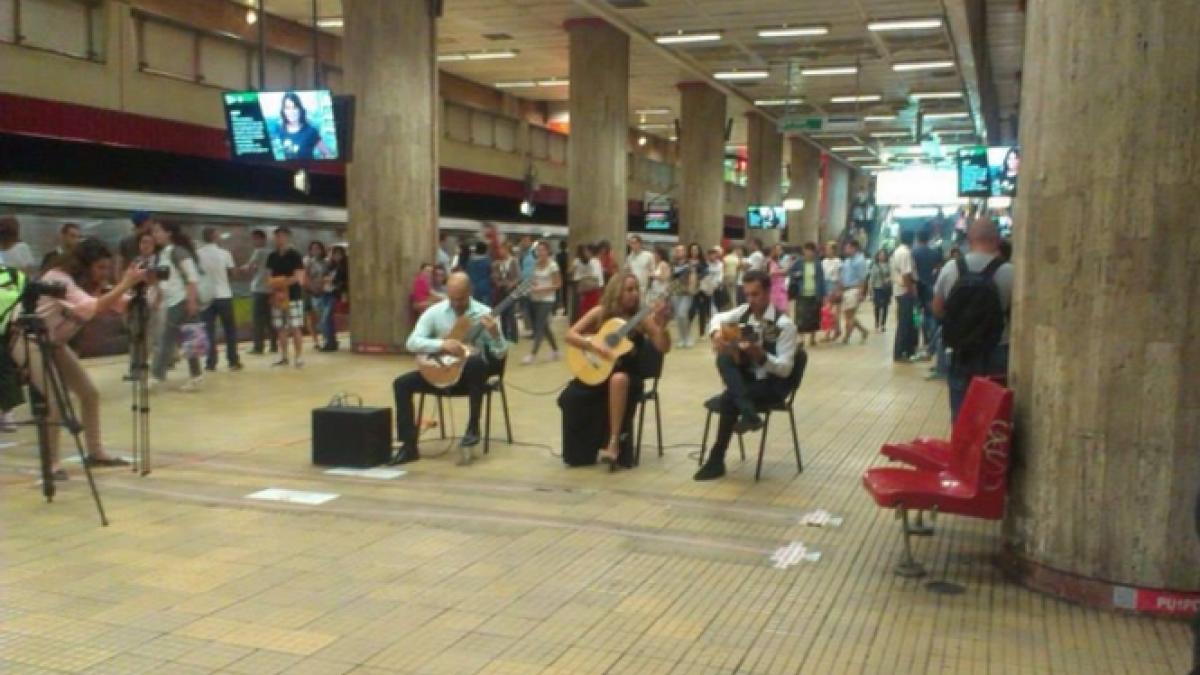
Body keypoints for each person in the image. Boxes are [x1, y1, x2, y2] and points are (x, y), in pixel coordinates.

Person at [10, 239, 147, 479]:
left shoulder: (89, 284)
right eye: (101, 268)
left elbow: (122, 305)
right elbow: (91, 308)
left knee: (89, 393)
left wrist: (144, 290)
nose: (105, 274)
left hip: (55, 343)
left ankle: (95, 453)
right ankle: (51, 465)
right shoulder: (59, 279)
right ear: (85, 265)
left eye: (108, 268)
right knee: (53, 402)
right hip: (29, 340)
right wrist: (125, 283)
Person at [390, 272, 507, 466]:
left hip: (470, 381)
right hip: (442, 373)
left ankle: (472, 428)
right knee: (401, 384)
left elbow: (500, 354)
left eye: (460, 299)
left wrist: (495, 335)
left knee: (476, 362)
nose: (455, 303)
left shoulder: (485, 313)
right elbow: (412, 343)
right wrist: (441, 345)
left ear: (470, 292)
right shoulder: (435, 312)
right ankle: (409, 446)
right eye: (451, 298)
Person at [559, 271, 670, 468]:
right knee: (571, 397)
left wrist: (662, 325)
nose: (634, 294)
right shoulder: (600, 312)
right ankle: (580, 452)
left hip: (627, 374)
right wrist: (592, 345)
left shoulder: (641, 318)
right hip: (598, 372)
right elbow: (570, 335)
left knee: (618, 380)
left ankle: (614, 443)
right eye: (629, 289)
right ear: (616, 291)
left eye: (636, 289)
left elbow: (663, 347)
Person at [694, 270, 798, 481]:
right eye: (747, 294)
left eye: (756, 294)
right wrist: (716, 335)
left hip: (771, 385)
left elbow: (786, 369)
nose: (751, 300)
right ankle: (748, 412)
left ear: (768, 292)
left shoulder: (783, 325)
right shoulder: (744, 314)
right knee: (723, 358)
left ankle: (717, 459)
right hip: (748, 380)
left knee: (728, 399)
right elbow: (717, 318)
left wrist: (761, 356)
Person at [933, 217, 1014, 421]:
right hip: (997, 348)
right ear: (997, 240)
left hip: (962, 352)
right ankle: (989, 450)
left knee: (961, 413)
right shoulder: (1010, 272)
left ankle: (962, 450)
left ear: (969, 239)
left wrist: (961, 324)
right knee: (993, 412)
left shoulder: (952, 268)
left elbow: (937, 308)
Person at [150, 222, 204, 391]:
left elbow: (192, 277)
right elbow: (165, 280)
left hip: (182, 300)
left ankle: (157, 376)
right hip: (174, 300)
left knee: (168, 339)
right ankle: (196, 376)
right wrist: (159, 297)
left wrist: (192, 300)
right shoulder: (163, 254)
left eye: (158, 231)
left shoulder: (178, 252)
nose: (155, 235)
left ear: (169, 233)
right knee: (190, 339)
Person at [197, 227, 242, 372]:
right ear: (215, 236)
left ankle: (211, 362)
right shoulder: (224, 253)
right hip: (224, 295)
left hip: (206, 297)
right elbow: (233, 273)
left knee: (208, 331)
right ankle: (233, 361)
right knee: (230, 329)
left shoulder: (197, 254)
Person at [266, 227, 306, 368]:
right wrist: (274, 287)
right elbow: (269, 275)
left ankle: (299, 356)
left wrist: (283, 284)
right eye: (276, 236)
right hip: (277, 296)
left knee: (295, 327)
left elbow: (298, 276)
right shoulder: (272, 256)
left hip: (293, 295)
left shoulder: (295, 255)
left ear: (287, 238)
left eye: (282, 236)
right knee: (280, 327)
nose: (279, 239)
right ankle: (283, 356)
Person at [522, 241, 561, 364]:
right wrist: (530, 286)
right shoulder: (535, 264)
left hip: (547, 299)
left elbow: (558, 284)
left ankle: (532, 354)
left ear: (548, 251)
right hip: (535, 298)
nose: (540, 253)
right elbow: (534, 280)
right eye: (538, 250)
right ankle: (556, 350)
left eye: (543, 250)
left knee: (539, 326)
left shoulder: (553, 266)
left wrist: (541, 289)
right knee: (544, 327)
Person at [244, 229, 277, 355]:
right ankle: (274, 346)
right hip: (271, 289)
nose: (253, 241)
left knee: (257, 320)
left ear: (262, 239)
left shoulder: (258, 251)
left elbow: (249, 267)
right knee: (270, 319)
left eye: (255, 239)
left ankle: (258, 347)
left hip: (259, 289)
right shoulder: (272, 252)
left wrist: (242, 269)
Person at [912, 230, 944, 359]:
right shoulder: (934, 252)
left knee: (916, 314)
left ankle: (915, 340)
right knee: (930, 315)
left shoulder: (913, 252)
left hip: (916, 286)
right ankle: (930, 340)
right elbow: (939, 267)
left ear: (918, 238)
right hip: (930, 286)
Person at [275, 92, 332, 160]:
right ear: (284, 111)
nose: (291, 111)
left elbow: (327, 153)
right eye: (287, 108)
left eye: (295, 107)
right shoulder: (280, 129)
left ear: (300, 109)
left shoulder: (311, 131)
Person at [788, 242, 825, 347]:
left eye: (810, 251)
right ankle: (801, 339)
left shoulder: (817, 263)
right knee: (800, 317)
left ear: (814, 252)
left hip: (815, 293)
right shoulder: (799, 262)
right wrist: (796, 275)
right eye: (806, 250)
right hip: (802, 293)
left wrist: (823, 294)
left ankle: (812, 338)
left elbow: (821, 279)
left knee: (814, 316)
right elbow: (791, 272)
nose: (808, 253)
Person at [891, 230, 918, 362]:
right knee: (905, 322)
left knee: (905, 322)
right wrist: (910, 289)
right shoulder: (905, 253)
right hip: (904, 291)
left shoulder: (898, 251)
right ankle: (900, 352)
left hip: (898, 290)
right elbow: (906, 274)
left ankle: (904, 350)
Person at [837, 239, 870, 344]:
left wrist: (861, 293)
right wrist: (840, 289)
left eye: (848, 248)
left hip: (854, 289)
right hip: (846, 289)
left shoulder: (860, 261)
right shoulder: (847, 261)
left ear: (854, 248)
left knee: (849, 315)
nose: (846, 250)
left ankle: (846, 337)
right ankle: (863, 331)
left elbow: (862, 279)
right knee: (848, 315)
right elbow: (842, 276)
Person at [667, 245, 696, 347]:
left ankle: (688, 337)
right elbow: (669, 278)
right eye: (677, 251)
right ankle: (682, 338)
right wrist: (669, 290)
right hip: (675, 293)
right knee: (678, 317)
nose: (679, 252)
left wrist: (691, 287)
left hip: (686, 293)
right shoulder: (672, 264)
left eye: (681, 250)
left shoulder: (689, 264)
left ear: (685, 252)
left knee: (682, 314)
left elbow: (693, 276)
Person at [491, 242, 520, 342]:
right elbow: (494, 276)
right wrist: (497, 280)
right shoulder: (497, 263)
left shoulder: (513, 261)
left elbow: (518, 277)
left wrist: (512, 284)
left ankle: (514, 337)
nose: (500, 251)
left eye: (502, 249)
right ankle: (504, 336)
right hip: (501, 291)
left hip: (511, 291)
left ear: (507, 249)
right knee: (503, 314)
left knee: (511, 314)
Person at [320, 245, 348, 351]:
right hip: (327, 293)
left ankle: (331, 342)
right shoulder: (330, 266)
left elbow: (344, 282)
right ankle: (330, 341)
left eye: (339, 254)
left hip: (336, 294)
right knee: (327, 319)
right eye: (334, 254)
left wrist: (336, 285)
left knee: (326, 319)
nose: (336, 256)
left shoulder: (344, 267)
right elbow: (324, 277)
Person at [303, 241, 329, 350]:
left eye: (318, 248)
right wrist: (311, 287)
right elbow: (304, 276)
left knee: (322, 315)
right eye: (313, 249)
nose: (316, 251)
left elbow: (328, 276)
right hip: (309, 291)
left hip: (323, 291)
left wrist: (322, 286)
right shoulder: (308, 262)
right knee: (310, 316)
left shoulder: (326, 262)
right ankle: (315, 341)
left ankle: (326, 338)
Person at [571, 244, 603, 321]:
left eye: (587, 251)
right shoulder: (577, 261)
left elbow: (596, 276)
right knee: (580, 307)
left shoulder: (593, 261)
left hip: (590, 286)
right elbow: (572, 272)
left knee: (587, 307)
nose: (586, 253)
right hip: (581, 285)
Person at [821, 241, 843, 342]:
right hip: (825, 285)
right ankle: (835, 330)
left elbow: (840, 276)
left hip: (834, 285)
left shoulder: (838, 262)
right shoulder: (823, 261)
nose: (827, 250)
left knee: (832, 311)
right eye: (826, 248)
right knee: (827, 311)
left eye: (829, 248)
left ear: (834, 250)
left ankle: (829, 333)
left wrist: (838, 289)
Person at [868, 249, 891, 332]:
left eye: (883, 254)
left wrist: (889, 279)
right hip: (877, 288)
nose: (882, 256)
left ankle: (883, 324)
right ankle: (877, 323)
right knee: (877, 306)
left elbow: (892, 275)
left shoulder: (889, 265)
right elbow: (871, 278)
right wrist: (870, 289)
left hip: (886, 288)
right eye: (880, 255)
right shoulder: (875, 266)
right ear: (877, 256)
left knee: (885, 307)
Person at [766, 244, 789, 314]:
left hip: (781, 288)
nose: (779, 251)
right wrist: (782, 271)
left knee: (784, 311)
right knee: (773, 311)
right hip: (774, 289)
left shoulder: (779, 261)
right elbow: (771, 273)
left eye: (780, 249)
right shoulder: (770, 261)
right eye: (777, 249)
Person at [722, 246, 741, 311]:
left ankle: (732, 307)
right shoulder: (736, 258)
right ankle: (734, 306)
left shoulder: (725, 258)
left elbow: (723, 268)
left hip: (726, 276)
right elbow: (738, 267)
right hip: (734, 275)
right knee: (733, 291)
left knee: (729, 292)